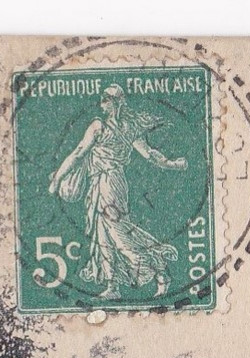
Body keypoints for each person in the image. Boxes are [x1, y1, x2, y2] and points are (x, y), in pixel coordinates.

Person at [48, 84, 187, 300]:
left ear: (115, 102)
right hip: (104, 182)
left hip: (109, 183)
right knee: (103, 234)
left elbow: (78, 153)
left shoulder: (99, 126)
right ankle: (113, 286)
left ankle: (159, 265)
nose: (101, 104)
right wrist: (172, 164)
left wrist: (57, 178)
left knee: (117, 233)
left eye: (105, 99)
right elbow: (150, 154)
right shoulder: (129, 126)